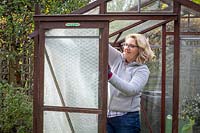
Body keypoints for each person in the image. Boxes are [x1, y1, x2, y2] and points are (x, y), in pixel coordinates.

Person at [107, 33, 155, 133]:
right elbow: (102, 45)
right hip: (107, 116)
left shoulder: (142, 70)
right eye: (126, 44)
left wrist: (110, 76)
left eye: (131, 46)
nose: (126, 48)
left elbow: (131, 90)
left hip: (127, 119)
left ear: (140, 50)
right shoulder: (118, 58)